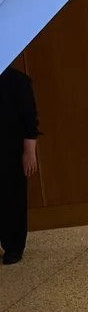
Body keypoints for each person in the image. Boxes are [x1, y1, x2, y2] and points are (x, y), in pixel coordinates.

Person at [0, 64, 34, 265]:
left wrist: (29, 152)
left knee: (12, 197)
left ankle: (14, 244)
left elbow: (29, 118)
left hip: (9, 149)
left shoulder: (16, 80)